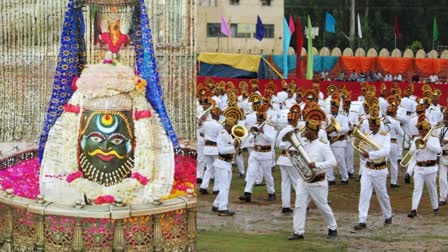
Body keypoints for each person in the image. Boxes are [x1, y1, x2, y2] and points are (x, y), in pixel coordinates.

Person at [288, 117, 338, 240]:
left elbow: (333, 162)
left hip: (317, 182)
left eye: (307, 130)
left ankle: (333, 227)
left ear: (313, 132)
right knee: (299, 206)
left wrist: (317, 164)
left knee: (323, 206)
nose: (305, 132)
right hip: (304, 181)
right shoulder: (304, 145)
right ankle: (298, 232)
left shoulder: (323, 146)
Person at [354, 105, 393, 230]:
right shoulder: (368, 135)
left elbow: (385, 152)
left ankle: (388, 215)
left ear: (378, 125)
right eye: (370, 125)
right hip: (367, 169)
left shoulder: (385, 135)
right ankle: (362, 220)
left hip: (380, 170)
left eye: (373, 125)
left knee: (382, 195)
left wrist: (369, 154)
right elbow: (363, 152)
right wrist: (361, 151)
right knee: (364, 194)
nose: (371, 127)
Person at [239, 104, 276, 202]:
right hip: (255, 153)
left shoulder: (270, 127)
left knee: (267, 175)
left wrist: (263, 133)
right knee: (251, 173)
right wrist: (255, 135)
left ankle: (271, 193)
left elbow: (272, 140)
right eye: (258, 120)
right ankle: (247, 193)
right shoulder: (254, 126)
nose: (258, 122)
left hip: (266, 153)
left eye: (260, 120)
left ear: (264, 119)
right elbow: (250, 141)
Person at [407, 115, 441, 218]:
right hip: (419, 168)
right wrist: (417, 147)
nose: (421, 133)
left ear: (427, 130)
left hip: (431, 168)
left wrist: (427, 143)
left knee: (432, 189)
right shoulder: (416, 140)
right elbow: (411, 153)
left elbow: (438, 151)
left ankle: (435, 207)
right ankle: (413, 209)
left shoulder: (434, 139)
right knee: (417, 189)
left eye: (423, 131)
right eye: (420, 131)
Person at [277, 105, 301, 213]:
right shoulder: (295, 131)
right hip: (292, 159)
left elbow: (278, 144)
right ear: (295, 120)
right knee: (297, 182)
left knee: (285, 183)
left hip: (282, 158)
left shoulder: (282, 130)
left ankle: (285, 206)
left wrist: (285, 146)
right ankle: (301, 203)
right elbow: (300, 144)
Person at [212, 116, 239, 216]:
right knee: (224, 187)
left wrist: (236, 145)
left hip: (227, 163)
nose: (233, 128)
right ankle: (222, 208)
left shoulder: (229, 135)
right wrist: (233, 147)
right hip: (222, 163)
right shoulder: (222, 134)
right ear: (227, 125)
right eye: (232, 126)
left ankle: (216, 204)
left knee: (226, 186)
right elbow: (221, 150)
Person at [327, 92, 350, 184]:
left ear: (337, 108)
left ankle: (345, 177)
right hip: (329, 140)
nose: (332, 109)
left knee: (340, 161)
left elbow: (346, 128)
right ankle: (330, 178)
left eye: (333, 108)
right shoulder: (328, 117)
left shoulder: (343, 117)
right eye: (331, 108)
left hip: (338, 141)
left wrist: (338, 129)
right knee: (329, 160)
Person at [199, 107, 223, 195]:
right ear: (216, 116)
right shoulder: (219, 125)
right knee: (217, 169)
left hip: (206, 148)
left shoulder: (206, 124)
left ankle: (203, 186)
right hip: (215, 149)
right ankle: (216, 188)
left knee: (208, 168)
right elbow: (221, 137)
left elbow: (201, 133)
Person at [384, 96, 404, 188]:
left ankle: (382, 181)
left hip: (383, 143)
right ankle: (393, 182)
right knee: (393, 163)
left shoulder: (381, 120)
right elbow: (402, 133)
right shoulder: (395, 122)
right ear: (394, 113)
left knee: (383, 163)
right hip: (392, 143)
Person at [438, 109, 448, 206]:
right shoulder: (442, 129)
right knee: (442, 178)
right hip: (443, 156)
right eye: (445, 118)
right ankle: (442, 198)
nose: (445, 120)